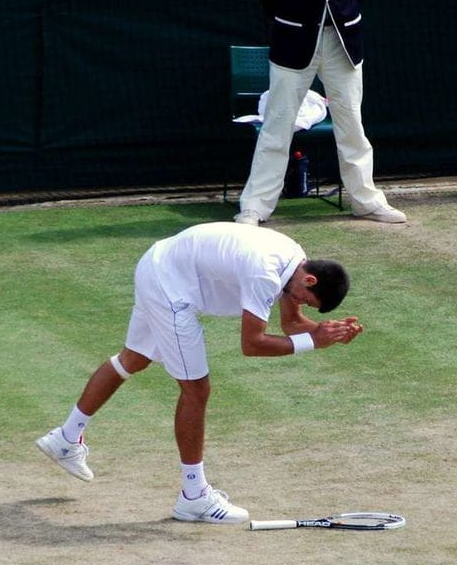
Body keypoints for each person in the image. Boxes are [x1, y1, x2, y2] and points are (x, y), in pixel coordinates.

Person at [36, 222, 362, 524]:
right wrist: (312, 342)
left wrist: (322, 334)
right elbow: (252, 344)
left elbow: (291, 324)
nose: (299, 302)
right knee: (197, 390)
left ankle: (65, 438)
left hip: (157, 264)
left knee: (133, 359)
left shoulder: (293, 259)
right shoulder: (265, 273)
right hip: (172, 288)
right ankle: (194, 496)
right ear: (309, 280)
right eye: (306, 298)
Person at [234, 0, 406, 226]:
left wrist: (339, 19)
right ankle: (255, 206)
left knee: (351, 123)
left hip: (342, 40)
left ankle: (366, 200)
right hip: (294, 40)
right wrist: (292, 22)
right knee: (278, 123)